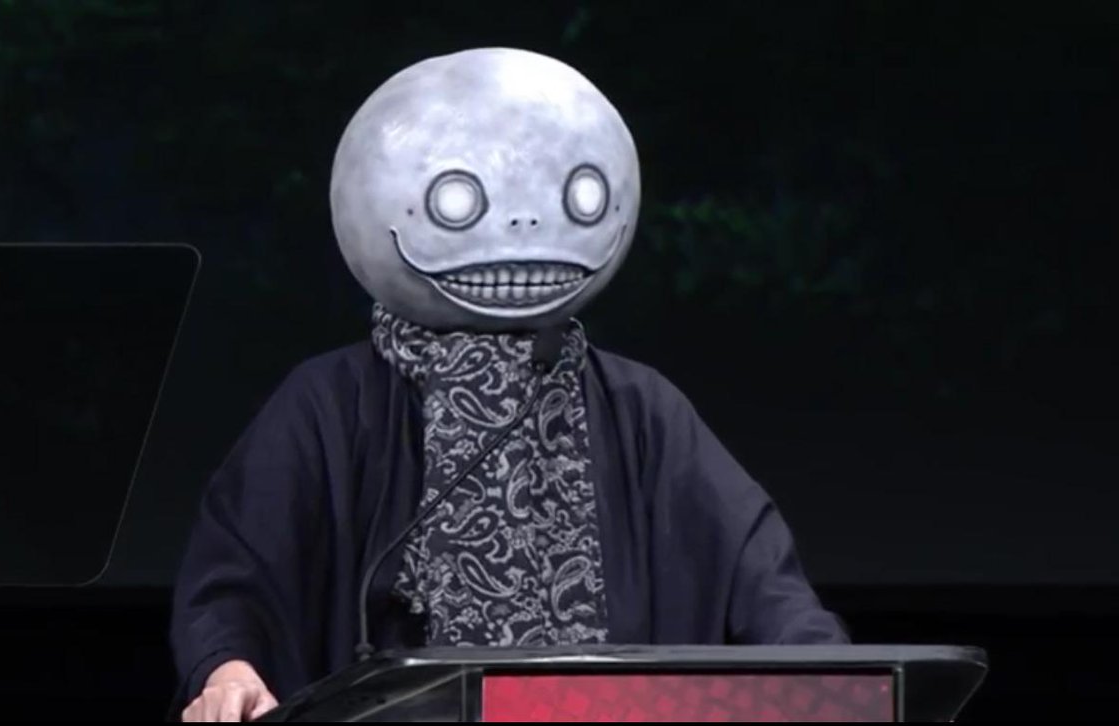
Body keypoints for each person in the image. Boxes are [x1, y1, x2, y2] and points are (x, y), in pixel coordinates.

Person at [170, 47, 848, 723]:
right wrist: (229, 672)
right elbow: (234, 582)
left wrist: (837, 686)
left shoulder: (641, 409)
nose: (522, 226)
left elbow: (764, 587)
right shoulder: (328, 404)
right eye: (459, 201)